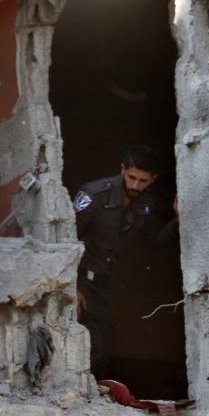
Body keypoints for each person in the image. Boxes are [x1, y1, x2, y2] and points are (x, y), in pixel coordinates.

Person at [73, 145, 177, 380]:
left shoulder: (146, 203)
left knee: (106, 345)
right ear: (122, 169)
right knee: (94, 346)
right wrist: (73, 286)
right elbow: (66, 241)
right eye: (131, 177)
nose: (135, 186)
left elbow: (155, 242)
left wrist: (178, 219)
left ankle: (96, 391)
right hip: (83, 281)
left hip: (110, 285)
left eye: (143, 181)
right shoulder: (94, 196)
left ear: (153, 179)